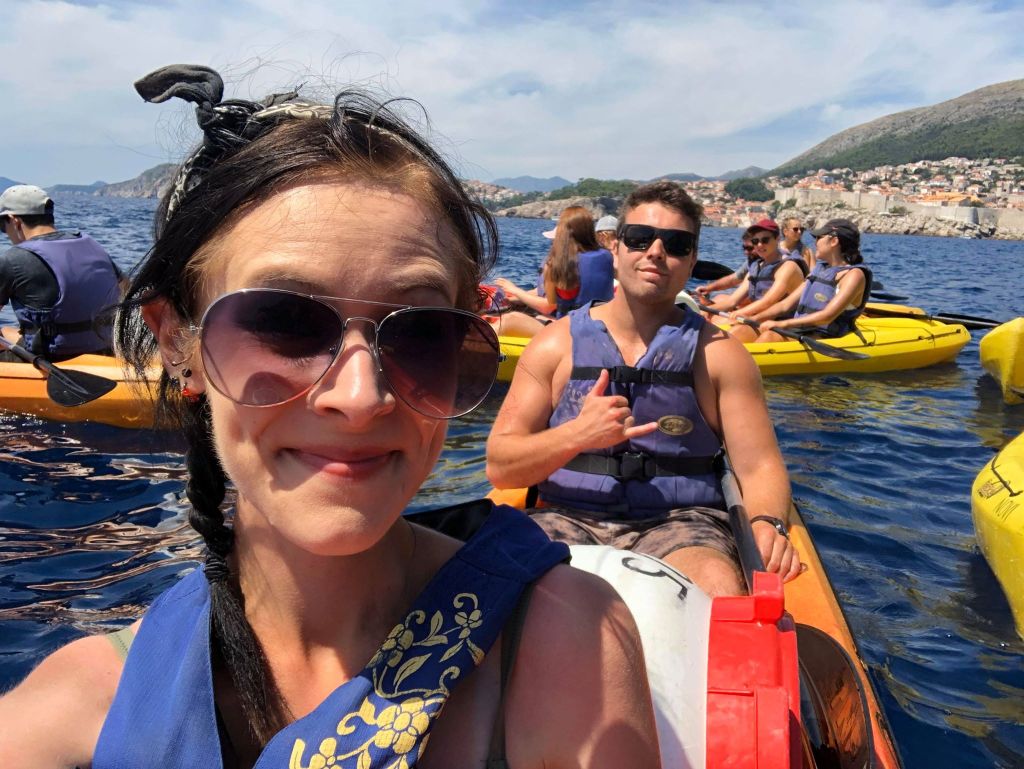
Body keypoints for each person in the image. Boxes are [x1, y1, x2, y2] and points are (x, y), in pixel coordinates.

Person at [0, 65, 660, 769]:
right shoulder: (80, 708)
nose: (360, 395)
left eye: (421, 331)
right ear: (176, 343)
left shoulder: (561, 643)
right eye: (281, 320)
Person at [486, 181, 802, 598]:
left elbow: (759, 466)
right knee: (500, 585)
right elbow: (501, 466)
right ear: (615, 249)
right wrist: (576, 435)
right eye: (639, 238)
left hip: (683, 523)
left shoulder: (722, 356)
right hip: (567, 515)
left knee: (715, 584)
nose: (655, 251)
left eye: (676, 244)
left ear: (691, 260)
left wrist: (767, 523)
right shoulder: (553, 345)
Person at [0, 184, 123, 361]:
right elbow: (127, 290)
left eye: (2, 226)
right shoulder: (92, 246)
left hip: (51, 359)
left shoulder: (13, 260)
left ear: (14, 221)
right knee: (6, 331)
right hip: (105, 350)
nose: (5, 233)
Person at [756, 219, 871, 342]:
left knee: (769, 337)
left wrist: (783, 324)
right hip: (801, 331)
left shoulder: (854, 275)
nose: (815, 242)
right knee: (744, 330)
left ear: (834, 241)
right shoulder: (819, 270)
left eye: (819, 238)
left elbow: (826, 316)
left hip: (824, 336)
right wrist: (754, 318)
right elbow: (785, 305)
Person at [495, 206, 614, 320]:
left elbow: (548, 307)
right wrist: (519, 297)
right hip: (604, 321)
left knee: (512, 317)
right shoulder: (607, 256)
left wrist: (514, 290)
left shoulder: (558, 264)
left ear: (561, 234)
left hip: (570, 327)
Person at [706, 218, 808, 343]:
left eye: (765, 240)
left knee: (733, 335)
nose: (759, 245)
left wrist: (739, 313)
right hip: (760, 320)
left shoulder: (788, 267)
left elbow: (768, 301)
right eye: (755, 241)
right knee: (714, 320)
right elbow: (732, 301)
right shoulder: (757, 266)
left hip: (783, 326)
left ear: (777, 239)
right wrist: (705, 311)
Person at [694, 232, 754, 297]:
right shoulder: (751, 263)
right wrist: (708, 288)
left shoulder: (760, 265)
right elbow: (732, 279)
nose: (746, 252)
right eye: (744, 248)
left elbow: (733, 301)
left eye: (750, 248)